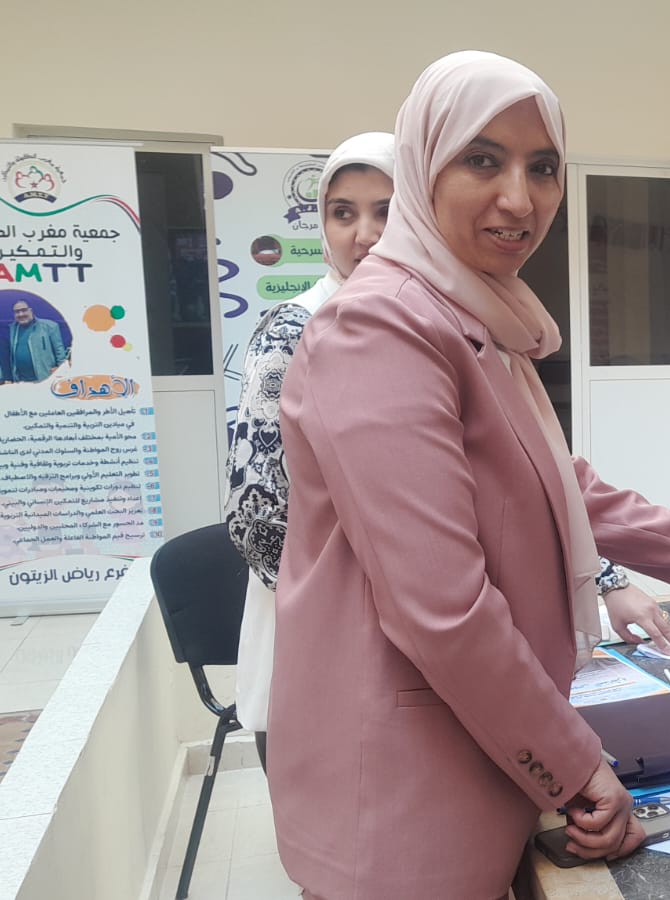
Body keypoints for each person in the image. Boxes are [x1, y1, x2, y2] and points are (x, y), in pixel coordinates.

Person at [268, 51, 670, 900]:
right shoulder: (381, 327)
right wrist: (574, 764)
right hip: (404, 791)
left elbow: (562, 485)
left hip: (467, 752)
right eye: (483, 160)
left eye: (544, 167)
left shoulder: (474, 314)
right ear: (423, 167)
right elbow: (440, 605)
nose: (521, 199)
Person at [223, 131, 396, 771]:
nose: (364, 235)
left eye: (386, 211)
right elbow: (254, 511)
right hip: (321, 630)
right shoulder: (296, 328)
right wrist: (348, 608)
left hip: (415, 628)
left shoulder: (437, 322)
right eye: (343, 213)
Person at [8, 300, 67, 382]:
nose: (21, 314)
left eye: (24, 310)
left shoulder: (49, 326)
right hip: (21, 381)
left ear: (30, 311)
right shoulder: (13, 329)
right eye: (17, 312)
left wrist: (61, 370)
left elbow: (59, 351)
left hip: (44, 379)